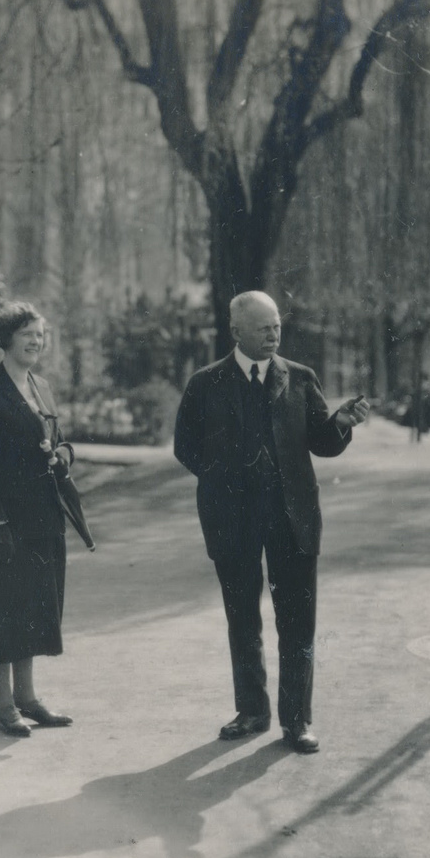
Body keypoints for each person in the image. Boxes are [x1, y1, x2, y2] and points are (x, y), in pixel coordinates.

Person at [173, 291, 369, 753]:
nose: (273, 334)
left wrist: (341, 421)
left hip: (292, 517)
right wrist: (225, 480)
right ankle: (252, 711)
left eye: (277, 326)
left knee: (298, 621)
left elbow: (321, 440)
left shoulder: (299, 378)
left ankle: (297, 720)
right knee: (242, 618)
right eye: (263, 328)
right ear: (237, 331)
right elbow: (186, 446)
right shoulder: (206, 383)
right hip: (232, 519)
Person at [0, 302, 92, 738]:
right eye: (28, 335)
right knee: (4, 608)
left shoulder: (42, 387)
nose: (36, 342)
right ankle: (3, 704)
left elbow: (56, 441)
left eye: (41, 335)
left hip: (44, 515)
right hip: (4, 521)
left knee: (37, 605)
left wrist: (61, 454)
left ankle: (28, 697)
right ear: (6, 339)